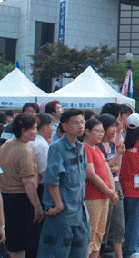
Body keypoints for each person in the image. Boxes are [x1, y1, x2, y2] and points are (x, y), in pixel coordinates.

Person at [38, 109, 90, 258]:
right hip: (63, 216)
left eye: (82, 122)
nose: (80, 126)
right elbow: (51, 180)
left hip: (79, 213)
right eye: (76, 123)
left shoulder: (81, 148)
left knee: (79, 252)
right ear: (65, 126)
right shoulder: (57, 148)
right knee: (57, 252)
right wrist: (59, 205)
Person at [0, 113, 43, 258]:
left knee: (12, 243)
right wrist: (37, 206)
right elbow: (29, 183)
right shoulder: (25, 151)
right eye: (34, 128)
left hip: (6, 198)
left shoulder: (7, 144)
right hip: (21, 201)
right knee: (20, 246)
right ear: (24, 131)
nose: (36, 132)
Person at [83, 119, 118, 258]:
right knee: (90, 234)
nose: (100, 134)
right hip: (92, 196)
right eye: (97, 131)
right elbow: (90, 174)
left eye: (102, 131)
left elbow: (106, 169)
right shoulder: (85, 148)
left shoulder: (97, 147)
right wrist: (108, 191)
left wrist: (112, 189)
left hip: (104, 196)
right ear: (87, 132)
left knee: (99, 234)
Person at [119, 113, 139, 258]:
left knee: (128, 218)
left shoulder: (124, 144)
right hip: (138, 187)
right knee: (136, 219)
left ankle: (133, 246)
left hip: (124, 184)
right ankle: (130, 249)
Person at [97, 114, 126, 258]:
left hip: (115, 184)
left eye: (115, 126)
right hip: (103, 187)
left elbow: (116, 167)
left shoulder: (113, 144)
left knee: (118, 221)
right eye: (112, 126)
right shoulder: (97, 146)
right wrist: (113, 162)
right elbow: (101, 167)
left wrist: (112, 165)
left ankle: (119, 255)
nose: (114, 129)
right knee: (103, 223)